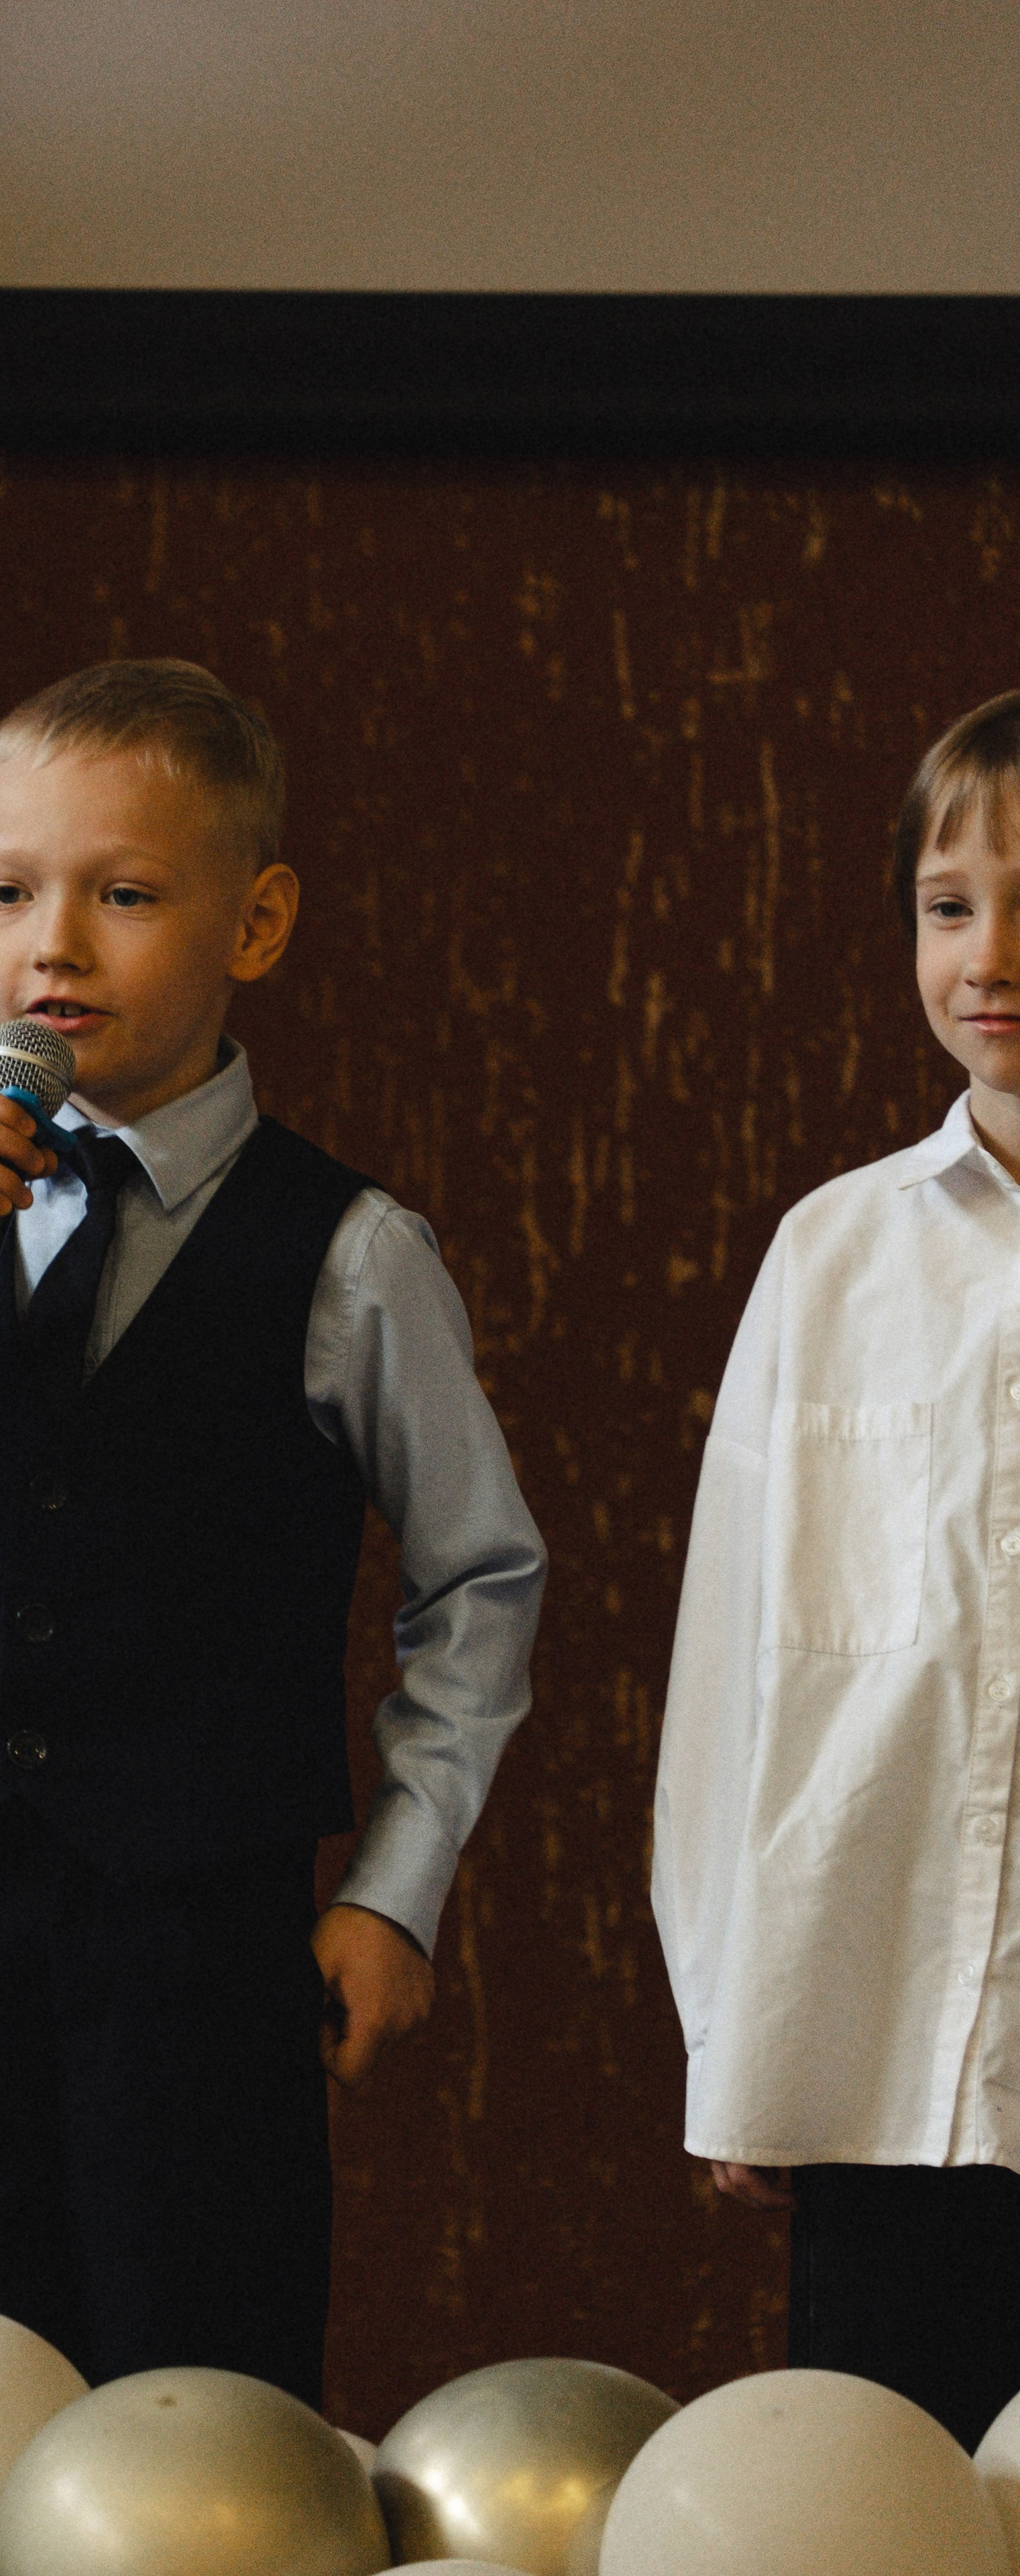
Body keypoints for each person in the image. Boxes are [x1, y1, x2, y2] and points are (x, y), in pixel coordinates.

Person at [0, 658, 544, 2405]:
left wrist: (398, 1888)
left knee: (197, 2384)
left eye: (125, 892)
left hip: (202, 1937)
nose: (52, 945)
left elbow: (480, 1584)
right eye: (7, 890)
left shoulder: (355, 1254)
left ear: (257, 922)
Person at [653, 688, 1020, 2453]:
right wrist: (737, 2012)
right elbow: (745, 1661)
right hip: (887, 2063)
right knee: (880, 2496)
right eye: (950, 906)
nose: (991, 953)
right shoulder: (838, 1254)